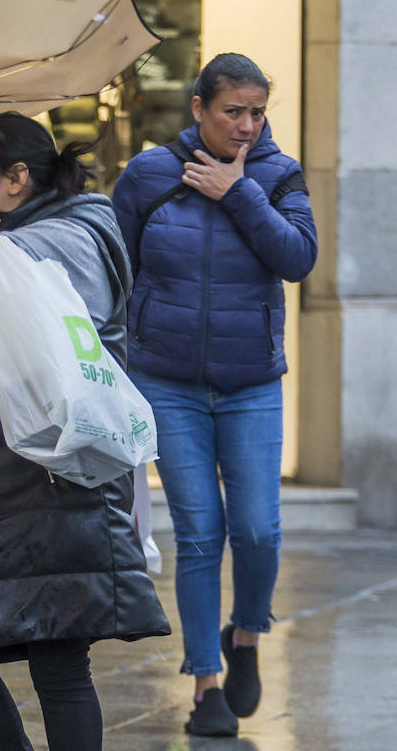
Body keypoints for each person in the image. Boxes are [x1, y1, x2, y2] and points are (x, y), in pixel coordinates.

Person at [0, 112, 170, 751]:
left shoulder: (72, 237)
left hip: (58, 485)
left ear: (16, 177)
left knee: (58, 658)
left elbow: (0, 265)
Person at [111, 53, 318, 737]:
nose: (248, 125)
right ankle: (205, 683)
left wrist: (239, 193)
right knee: (200, 533)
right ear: (198, 107)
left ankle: (247, 635)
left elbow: (297, 259)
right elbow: (117, 271)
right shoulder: (148, 175)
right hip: (165, 382)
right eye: (234, 111)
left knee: (257, 529)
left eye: (258, 112)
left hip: (251, 383)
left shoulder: (277, 174)